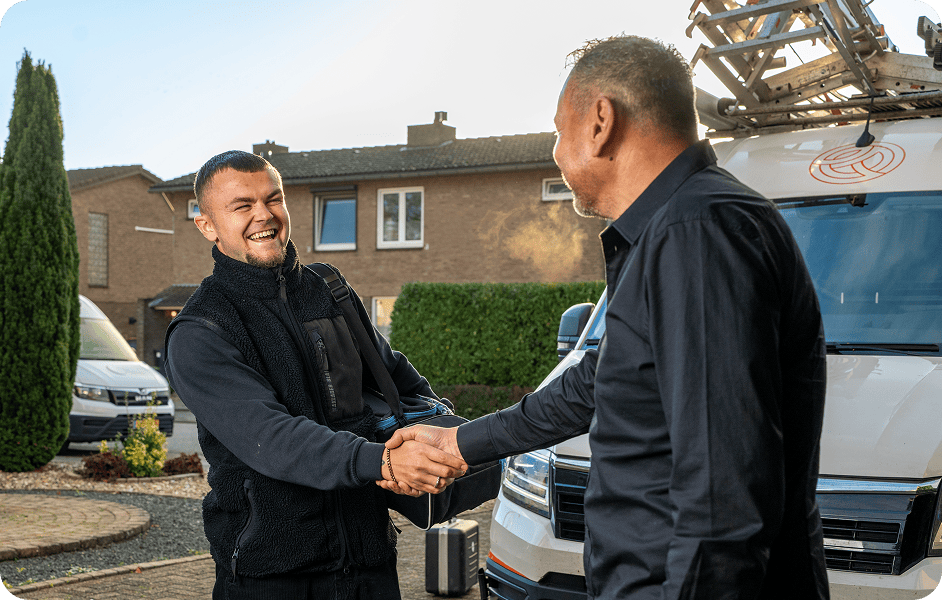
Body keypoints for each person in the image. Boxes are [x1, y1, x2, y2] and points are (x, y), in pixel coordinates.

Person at [384, 36, 829, 600]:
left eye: (558, 131)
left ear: (600, 122)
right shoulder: (675, 230)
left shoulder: (696, 233)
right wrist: (456, 444)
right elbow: (591, 385)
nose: (557, 151)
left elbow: (724, 496)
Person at [163, 150, 467, 600]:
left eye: (274, 199)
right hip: (274, 577)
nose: (264, 215)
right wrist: (382, 460)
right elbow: (273, 439)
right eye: (242, 206)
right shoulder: (200, 330)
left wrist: (428, 438)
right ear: (207, 226)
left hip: (370, 564)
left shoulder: (328, 290)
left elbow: (399, 380)